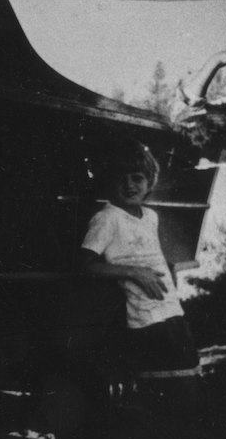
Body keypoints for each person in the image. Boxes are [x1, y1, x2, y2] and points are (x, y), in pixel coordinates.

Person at [78, 144, 199, 377]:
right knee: (161, 380)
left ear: (149, 182)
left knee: (188, 373)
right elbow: (85, 266)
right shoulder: (107, 218)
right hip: (143, 316)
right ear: (109, 182)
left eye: (137, 178)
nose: (129, 185)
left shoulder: (151, 217)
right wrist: (135, 272)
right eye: (120, 179)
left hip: (170, 308)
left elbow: (150, 256)